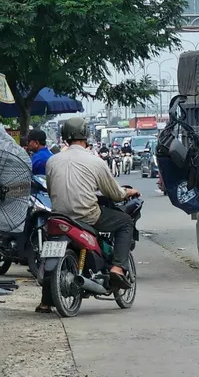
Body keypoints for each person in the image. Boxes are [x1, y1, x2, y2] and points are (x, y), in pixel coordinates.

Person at [37, 117, 139, 313]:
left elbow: (52, 191)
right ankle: (117, 267)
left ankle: (45, 302)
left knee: (50, 252)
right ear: (86, 135)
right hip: (87, 216)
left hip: (59, 216)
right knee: (125, 222)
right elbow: (114, 193)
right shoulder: (94, 161)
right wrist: (129, 192)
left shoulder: (52, 160)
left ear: (64, 137)